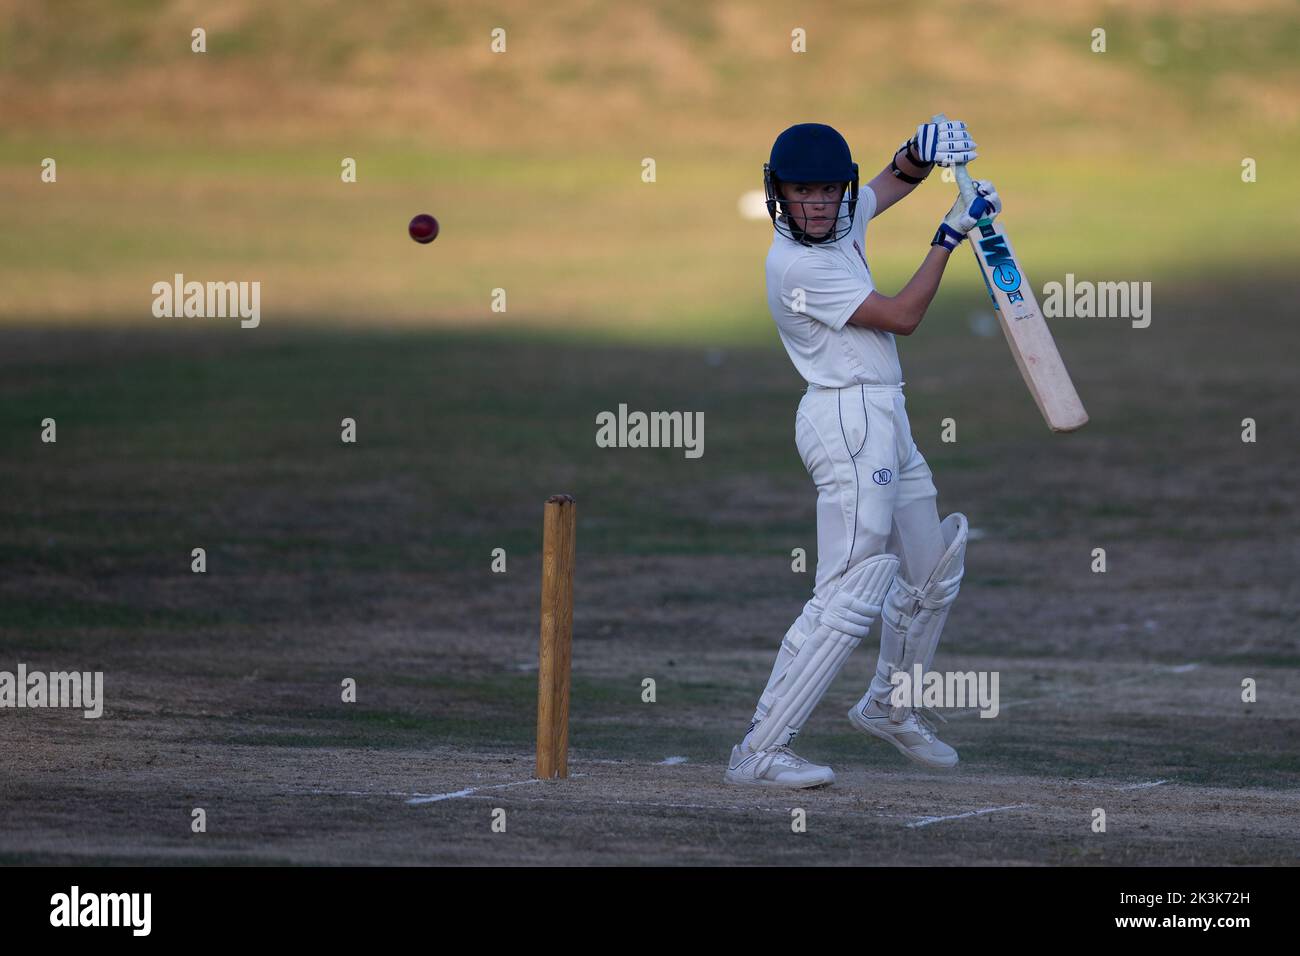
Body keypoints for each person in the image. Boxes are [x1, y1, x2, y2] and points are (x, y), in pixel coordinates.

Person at [724, 120, 1001, 788]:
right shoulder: (797, 265)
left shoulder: (843, 221)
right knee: (850, 592)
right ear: (779, 197)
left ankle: (889, 706)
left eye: (826, 192)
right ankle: (760, 749)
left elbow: (894, 180)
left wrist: (923, 147)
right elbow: (903, 314)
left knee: (932, 567)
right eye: (801, 193)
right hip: (845, 418)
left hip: (887, 414)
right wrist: (950, 235)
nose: (816, 205)